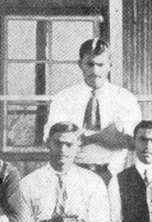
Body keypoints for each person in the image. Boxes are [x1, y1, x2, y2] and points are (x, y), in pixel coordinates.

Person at [46, 38, 142, 184]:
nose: (95, 71)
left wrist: (82, 136)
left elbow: (132, 142)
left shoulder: (125, 99)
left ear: (110, 65)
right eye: (89, 64)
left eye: (100, 65)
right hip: (72, 175)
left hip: (112, 175)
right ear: (80, 65)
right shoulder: (64, 98)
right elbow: (53, 138)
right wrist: (106, 136)